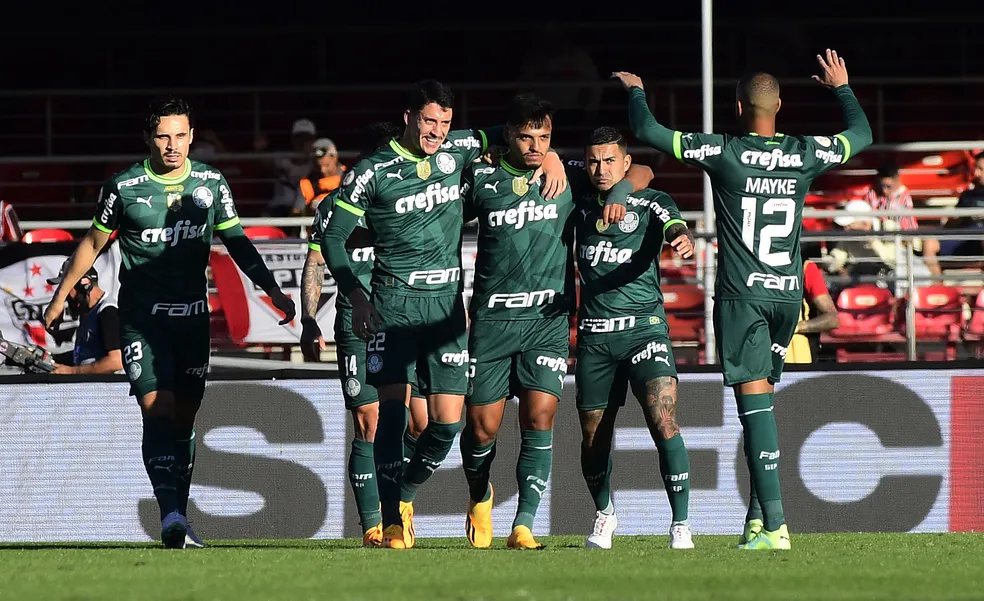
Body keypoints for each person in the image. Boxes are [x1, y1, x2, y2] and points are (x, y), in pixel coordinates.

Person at [613, 48, 873, 550]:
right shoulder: (804, 151)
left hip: (744, 298)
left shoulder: (725, 150)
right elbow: (861, 135)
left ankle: (776, 526)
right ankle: (756, 521)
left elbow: (649, 134)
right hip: (786, 297)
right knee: (764, 407)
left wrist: (636, 92)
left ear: (737, 108)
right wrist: (841, 86)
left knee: (754, 412)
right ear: (779, 107)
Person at [322, 79, 568, 549]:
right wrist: (354, 295)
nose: (437, 131)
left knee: (448, 424)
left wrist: (552, 156)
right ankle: (393, 520)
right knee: (391, 416)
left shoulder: (459, 149)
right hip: (392, 305)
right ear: (409, 116)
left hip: (447, 310)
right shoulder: (372, 171)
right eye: (429, 121)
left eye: (445, 123)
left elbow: (514, 131)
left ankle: (409, 495)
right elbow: (333, 239)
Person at [43, 97, 295, 549]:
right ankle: (170, 514)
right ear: (148, 139)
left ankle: (179, 509)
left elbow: (236, 241)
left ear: (192, 136)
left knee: (183, 419)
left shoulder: (210, 183)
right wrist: (61, 296)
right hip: (142, 322)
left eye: (180, 135)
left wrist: (271, 289)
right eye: (163, 136)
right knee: (156, 408)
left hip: (193, 323)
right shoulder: (124, 187)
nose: (172, 145)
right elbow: (92, 243)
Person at [458, 95, 650, 550]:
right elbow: (443, 214)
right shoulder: (482, 177)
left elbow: (641, 172)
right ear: (508, 135)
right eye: (526, 136)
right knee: (483, 427)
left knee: (539, 417)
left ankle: (523, 524)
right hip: (492, 319)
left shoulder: (569, 174)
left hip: (547, 319)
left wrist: (616, 194)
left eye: (543, 136)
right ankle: (479, 493)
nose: (535, 144)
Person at [300, 121, 428, 547]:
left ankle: (400, 497)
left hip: (405, 319)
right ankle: (376, 524)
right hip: (356, 325)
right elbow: (316, 264)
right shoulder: (335, 205)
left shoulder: (414, 201)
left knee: (422, 422)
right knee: (368, 421)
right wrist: (308, 317)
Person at [573, 127, 696, 551]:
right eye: (592, 160)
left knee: (663, 420)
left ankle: (681, 524)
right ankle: (605, 514)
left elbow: (673, 221)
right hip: (595, 337)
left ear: (624, 163)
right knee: (593, 436)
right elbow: (549, 163)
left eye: (609, 160)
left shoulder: (651, 202)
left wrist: (680, 237)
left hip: (645, 329)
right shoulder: (579, 197)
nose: (600, 168)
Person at [47, 260, 124, 375]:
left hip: (109, 390)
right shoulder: (89, 312)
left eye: (67, 288)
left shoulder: (108, 312)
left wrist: (72, 371)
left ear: (83, 285)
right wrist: (50, 358)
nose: (64, 296)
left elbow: (116, 361)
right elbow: (86, 355)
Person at [785, 255, 840, 364]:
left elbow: (833, 319)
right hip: (757, 354)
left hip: (796, 358)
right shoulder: (748, 266)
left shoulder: (804, 267)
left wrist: (794, 327)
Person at [298, 138, 347, 214]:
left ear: (335, 157)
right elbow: (297, 213)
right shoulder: (307, 183)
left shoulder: (350, 177)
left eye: (326, 165)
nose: (322, 170)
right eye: (318, 166)